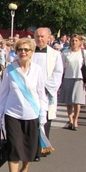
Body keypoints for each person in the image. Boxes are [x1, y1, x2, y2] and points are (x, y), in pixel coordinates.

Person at [0, 38, 48, 172]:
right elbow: (3, 94)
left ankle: (24, 169)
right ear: (16, 52)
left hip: (31, 113)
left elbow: (41, 94)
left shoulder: (38, 70)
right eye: (20, 50)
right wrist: (0, 116)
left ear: (32, 52)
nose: (23, 52)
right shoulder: (10, 70)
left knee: (29, 147)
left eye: (26, 50)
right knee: (13, 147)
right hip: (13, 114)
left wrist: (42, 114)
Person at [32, 27, 63, 159]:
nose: (40, 39)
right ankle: (33, 149)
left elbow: (58, 73)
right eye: (38, 36)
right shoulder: (28, 52)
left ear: (49, 38)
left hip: (46, 92)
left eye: (42, 36)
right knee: (32, 121)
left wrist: (44, 87)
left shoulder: (55, 54)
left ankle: (43, 147)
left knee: (45, 121)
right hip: (30, 92)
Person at [58, 34, 86, 130]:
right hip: (68, 77)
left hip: (79, 78)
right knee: (69, 101)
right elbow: (61, 67)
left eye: (76, 40)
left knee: (77, 101)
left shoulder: (83, 53)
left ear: (80, 42)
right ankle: (70, 120)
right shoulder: (66, 52)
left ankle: (75, 120)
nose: (74, 42)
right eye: (72, 40)